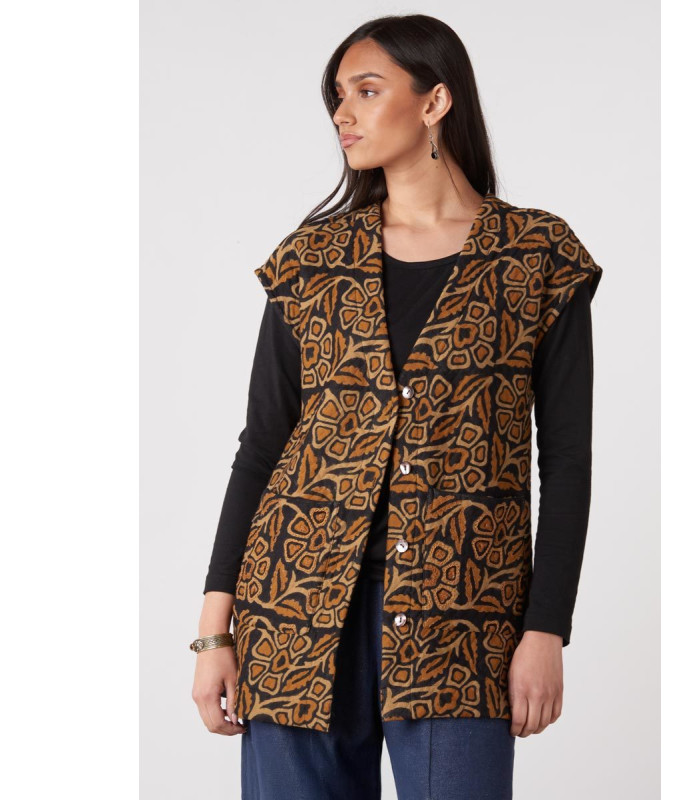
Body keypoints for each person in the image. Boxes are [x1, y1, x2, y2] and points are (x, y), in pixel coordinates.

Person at [191, 13, 602, 800]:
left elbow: (568, 461)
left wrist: (546, 628)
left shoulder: (537, 258)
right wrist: (215, 630)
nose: (341, 112)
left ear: (435, 101)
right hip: (295, 610)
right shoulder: (311, 262)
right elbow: (263, 446)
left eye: (367, 90)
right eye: (337, 95)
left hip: (464, 619)